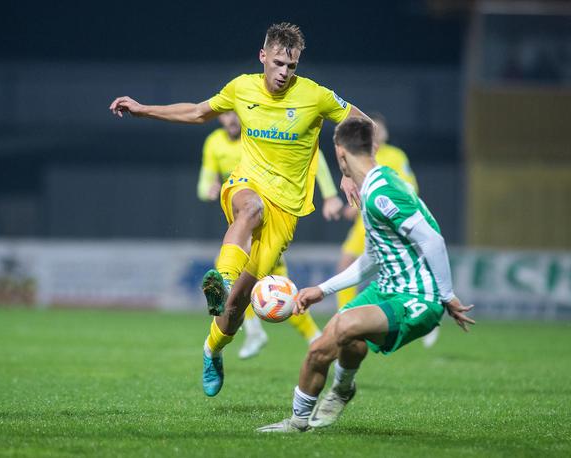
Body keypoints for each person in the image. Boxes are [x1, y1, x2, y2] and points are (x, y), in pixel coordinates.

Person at [110, 22, 372, 397]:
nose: (284, 72)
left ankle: (212, 348)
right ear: (263, 57)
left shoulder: (315, 96)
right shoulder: (241, 87)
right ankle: (224, 278)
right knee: (249, 209)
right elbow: (199, 112)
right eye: (279, 63)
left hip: (286, 210)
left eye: (292, 66)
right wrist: (143, 110)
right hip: (246, 185)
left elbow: (360, 122)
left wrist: (349, 171)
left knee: (233, 311)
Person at [257, 118, 475, 433]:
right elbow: (373, 256)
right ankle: (302, 418)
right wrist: (322, 290)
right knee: (322, 345)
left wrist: (447, 296)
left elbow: (432, 240)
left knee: (344, 326)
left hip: (419, 298)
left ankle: (335, 392)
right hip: (387, 289)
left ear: (340, 154)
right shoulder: (372, 188)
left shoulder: (382, 191)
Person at [198, 111, 344, 359]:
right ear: (221, 118)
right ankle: (308, 338)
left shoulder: (259, 134)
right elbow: (203, 183)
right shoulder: (214, 142)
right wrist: (208, 190)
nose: (233, 120)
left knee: (267, 290)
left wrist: (330, 194)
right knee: (271, 289)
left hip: (271, 218)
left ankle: (261, 333)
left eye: (237, 114)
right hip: (243, 216)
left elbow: (312, 153)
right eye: (227, 115)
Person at [336, 113, 439, 348]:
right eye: (372, 130)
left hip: (389, 219)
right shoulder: (358, 155)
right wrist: (353, 205)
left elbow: (408, 186)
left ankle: (430, 310)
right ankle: (344, 314)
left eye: (379, 130)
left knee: (409, 271)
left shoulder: (394, 156)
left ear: (385, 133)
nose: (376, 134)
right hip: (365, 220)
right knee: (345, 264)